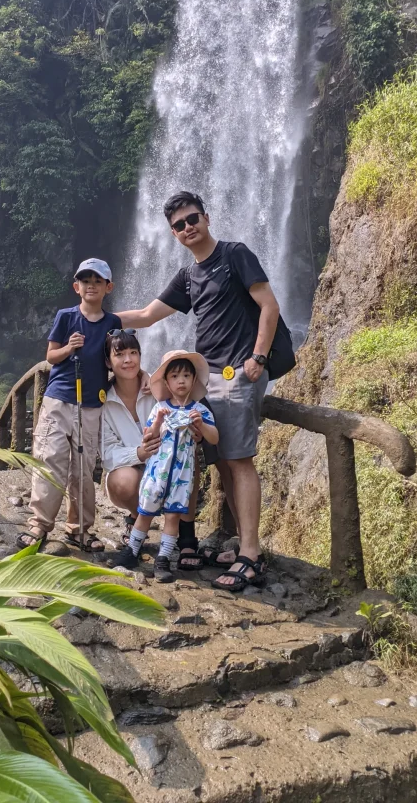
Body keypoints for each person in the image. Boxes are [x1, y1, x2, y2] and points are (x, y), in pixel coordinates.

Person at [117, 191, 280, 593]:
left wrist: (257, 357)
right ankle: (242, 545)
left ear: (206, 218)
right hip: (207, 381)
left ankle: (251, 557)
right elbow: (146, 316)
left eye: (192, 220)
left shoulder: (234, 254)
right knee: (224, 463)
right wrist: (92, 315)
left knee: (239, 462)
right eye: (179, 225)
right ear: (173, 234)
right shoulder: (189, 277)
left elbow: (269, 306)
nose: (187, 228)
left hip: (238, 373)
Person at [18, 258, 120, 553]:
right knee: (50, 459)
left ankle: (80, 528)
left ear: (107, 287)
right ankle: (39, 524)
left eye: (97, 281)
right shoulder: (66, 316)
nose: (91, 285)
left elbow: (116, 357)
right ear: (77, 287)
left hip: (91, 404)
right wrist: (69, 347)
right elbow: (51, 356)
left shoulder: (112, 323)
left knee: (84, 469)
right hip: (59, 399)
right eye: (85, 281)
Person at [101, 329, 203, 569]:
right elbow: (106, 453)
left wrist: (196, 430)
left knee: (189, 460)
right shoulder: (103, 401)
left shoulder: (159, 391)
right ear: (108, 361)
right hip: (135, 470)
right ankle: (137, 519)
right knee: (123, 480)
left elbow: (183, 401)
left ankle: (186, 532)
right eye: (120, 354)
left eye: (134, 353)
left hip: (169, 464)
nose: (128, 360)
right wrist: (139, 453)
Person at [113, 350, 218, 582]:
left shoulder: (199, 411)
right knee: (144, 512)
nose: (181, 380)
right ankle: (131, 551)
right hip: (156, 473)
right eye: (175, 376)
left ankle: (163, 559)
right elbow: (148, 435)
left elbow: (214, 438)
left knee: (172, 517)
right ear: (167, 383)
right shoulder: (159, 407)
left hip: (183, 473)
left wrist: (201, 426)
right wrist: (159, 419)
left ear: (193, 381)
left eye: (186, 376)